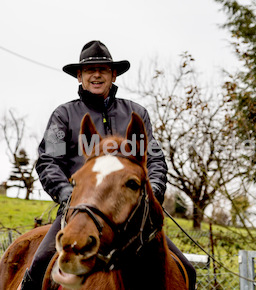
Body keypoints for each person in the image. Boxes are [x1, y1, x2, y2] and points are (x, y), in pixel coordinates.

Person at [19, 40, 196, 290]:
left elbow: (154, 159)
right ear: (79, 76)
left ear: (113, 75)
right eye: (90, 70)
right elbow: (49, 161)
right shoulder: (64, 115)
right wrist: (68, 195)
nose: (97, 75)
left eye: (104, 69)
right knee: (39, 265)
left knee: (187, 270)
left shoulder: (136, 113)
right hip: (79, 211)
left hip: (132, 214)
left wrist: (152, 190)